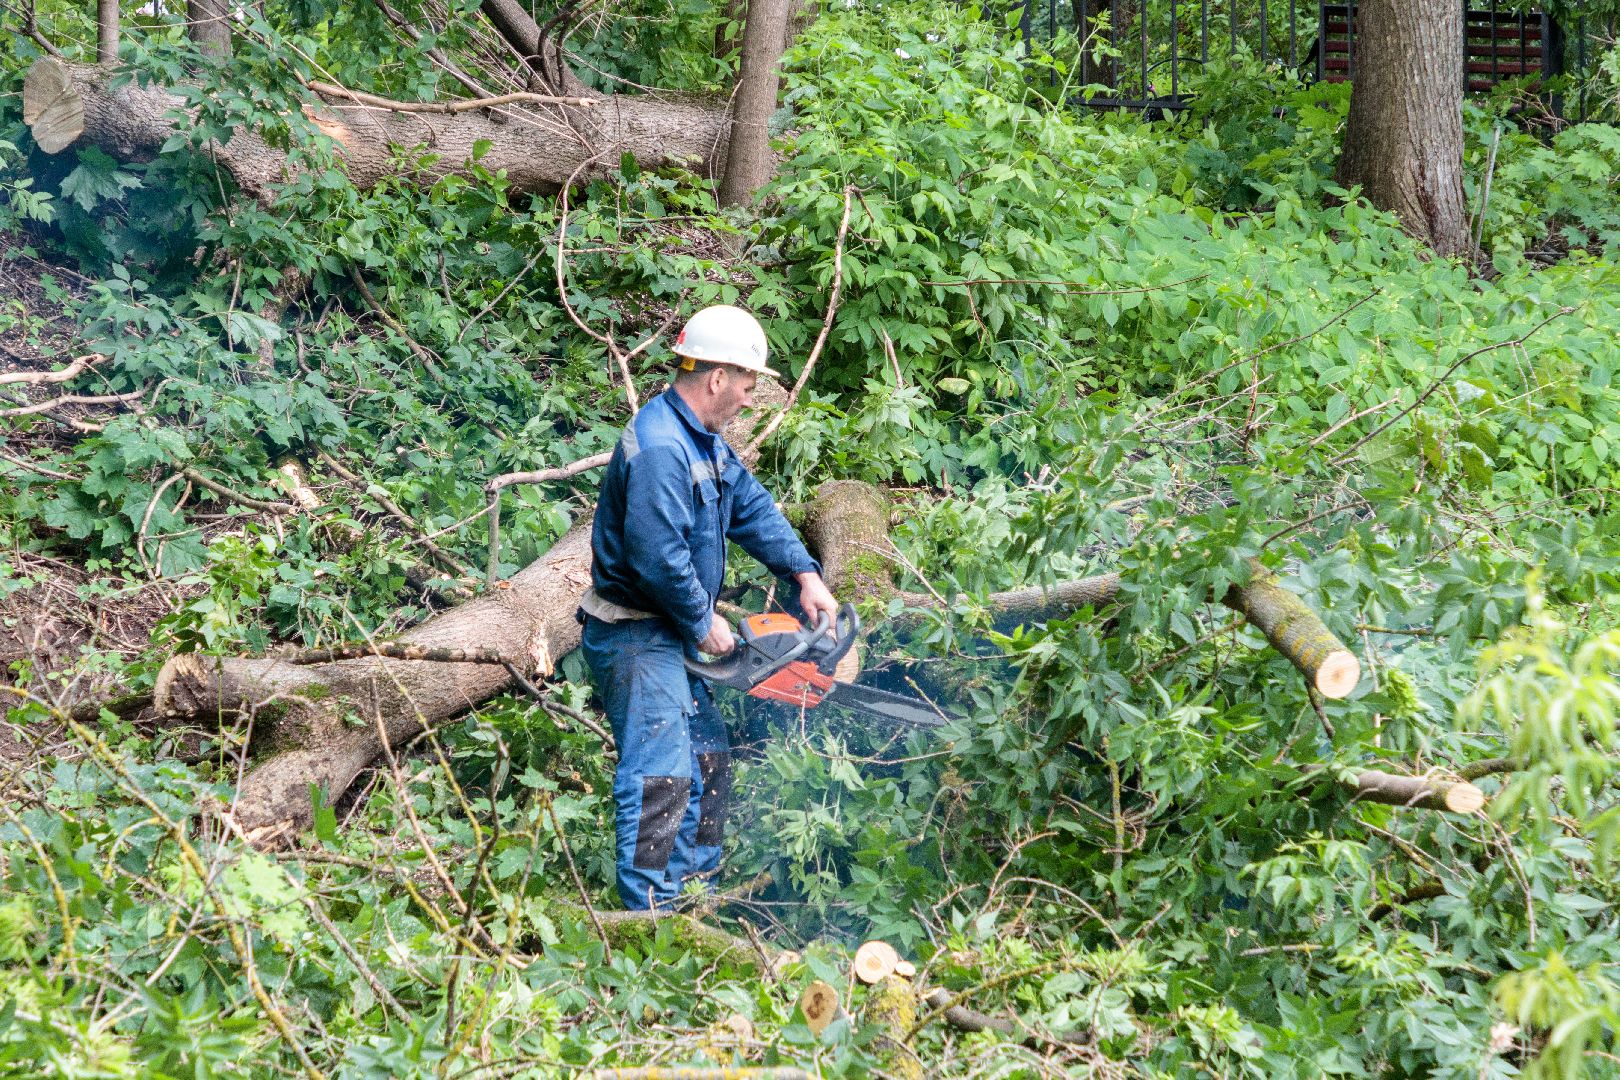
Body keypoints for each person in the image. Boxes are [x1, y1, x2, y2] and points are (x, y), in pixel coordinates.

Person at [578, 304, 839, 910]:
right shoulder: (662, 447)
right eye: (747, 385)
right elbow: (656, 556)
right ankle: (651, 914)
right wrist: (703, 621)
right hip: (636, 635)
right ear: (718, 377)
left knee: (710, 763)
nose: (750, 398)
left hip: (668, 632)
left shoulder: (702, 442)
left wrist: (804, 573)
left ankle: (697, 899)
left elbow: (750, 506)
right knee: (662, 779)